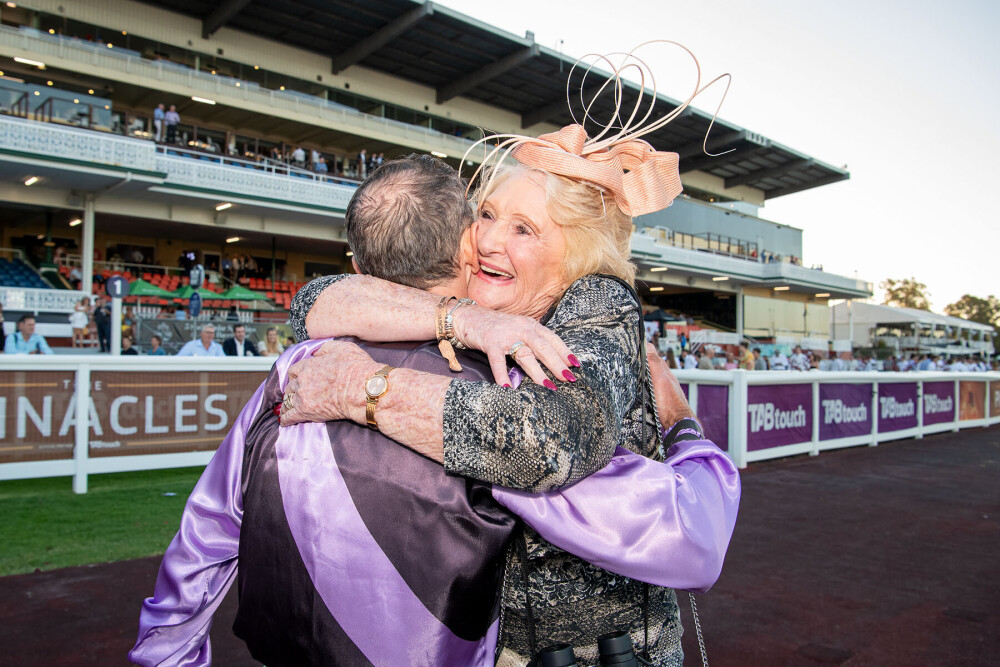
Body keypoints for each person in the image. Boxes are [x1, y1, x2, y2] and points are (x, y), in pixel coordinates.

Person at [130, 155, 738, 666]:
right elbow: (686, 531)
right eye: (487, 216)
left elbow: (545, 442)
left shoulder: (311, 367)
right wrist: (458, 317)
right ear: (459, 245)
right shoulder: (473, 356)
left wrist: (364, 387)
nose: (492, 240)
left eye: (524, 229)